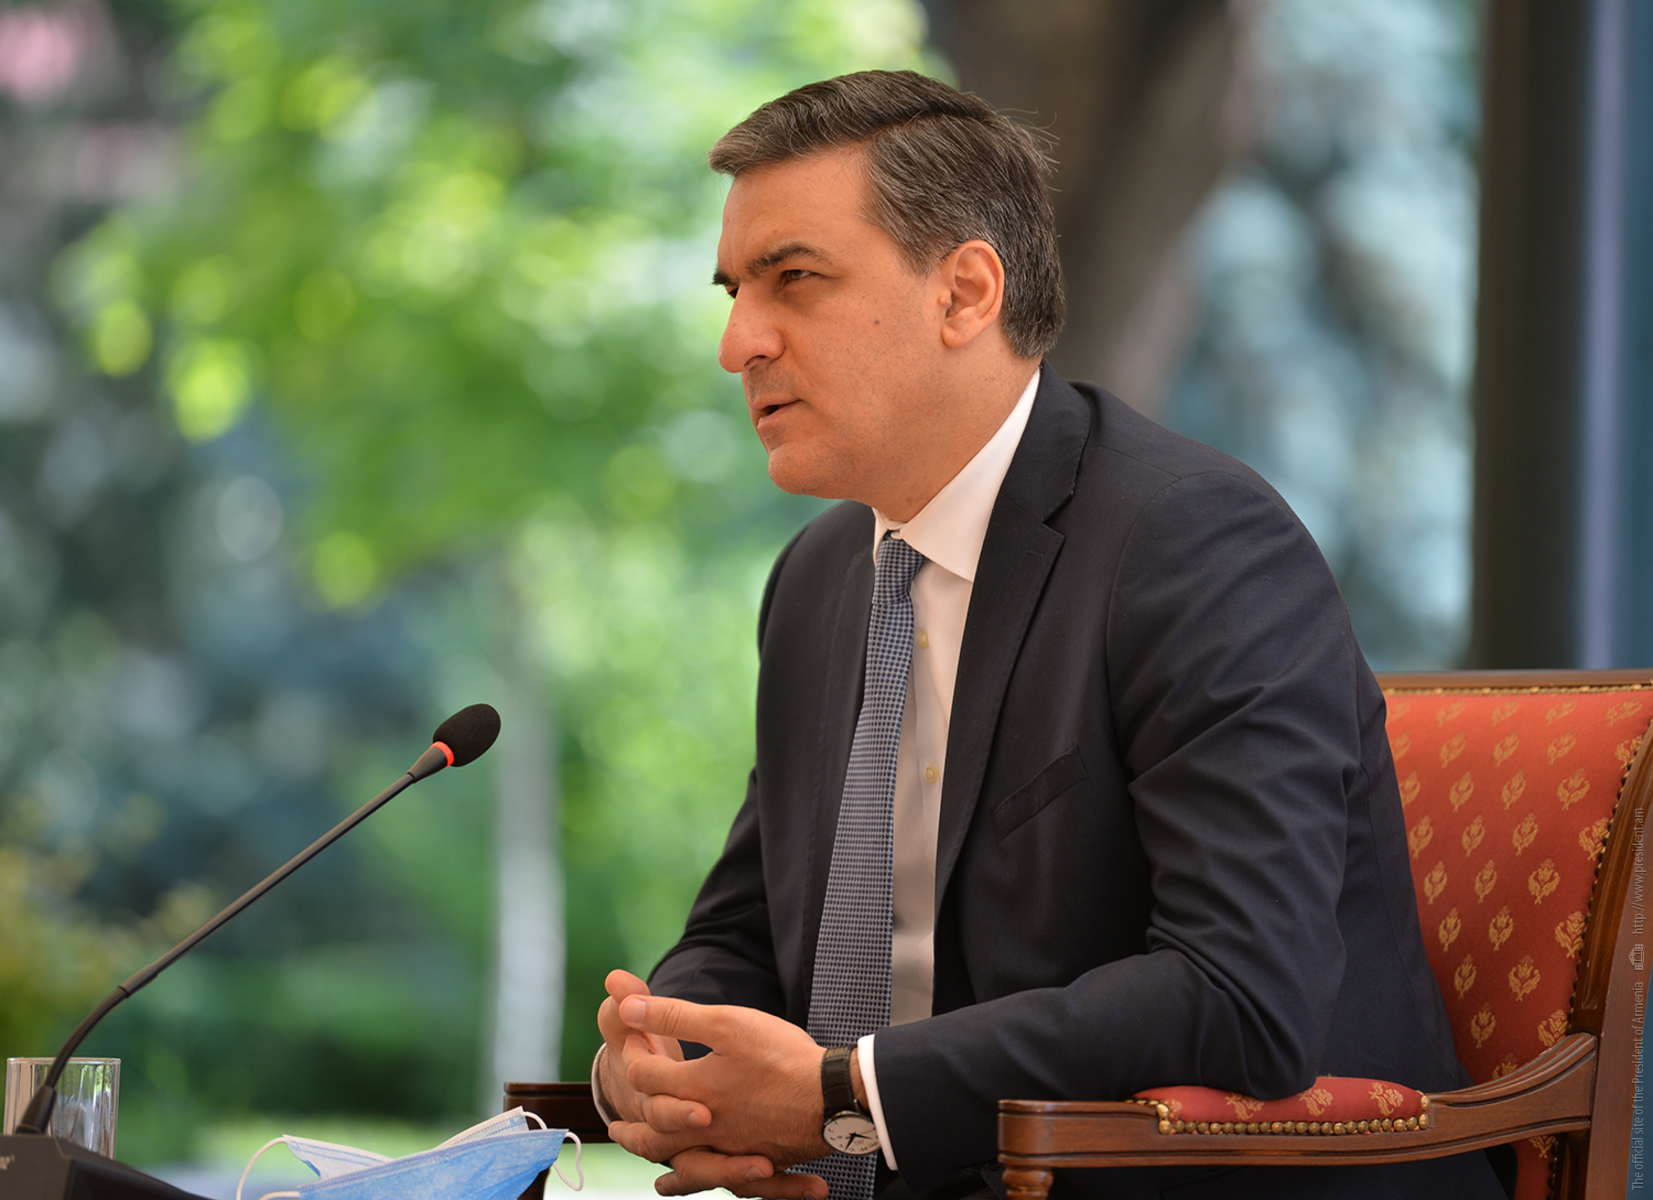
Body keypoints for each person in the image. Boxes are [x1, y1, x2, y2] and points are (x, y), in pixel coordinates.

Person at [591, 70, 1508, 1200]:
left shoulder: (1194, 543)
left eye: (795, 280)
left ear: (965, 293)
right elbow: (743, 930)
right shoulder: (819, 578)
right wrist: (666, 1059)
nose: (739, 343)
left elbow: (1242, 994)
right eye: (734, 291)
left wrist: (845, 1096)